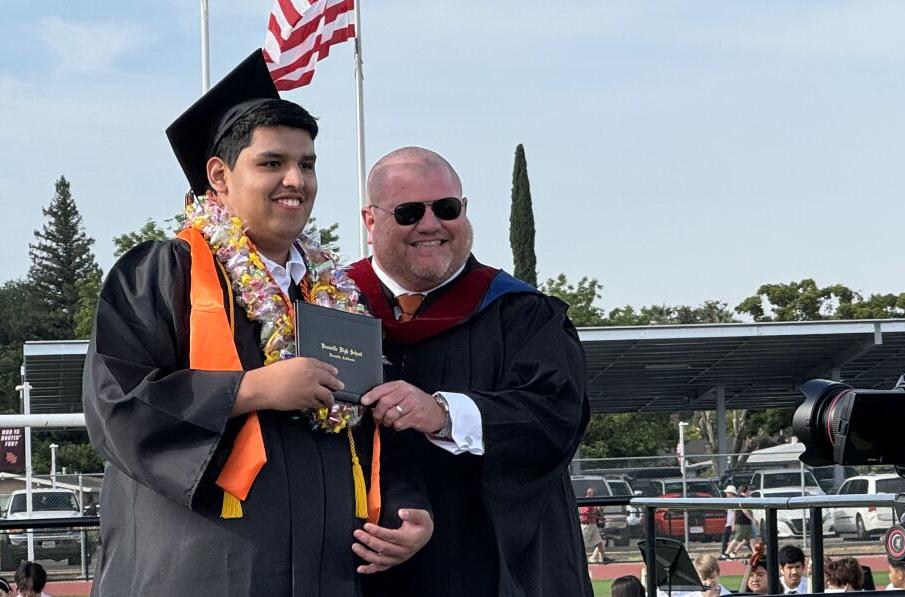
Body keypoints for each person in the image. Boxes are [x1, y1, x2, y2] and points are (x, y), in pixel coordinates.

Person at [82, 51, 430, 596]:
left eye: (308, 164)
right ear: (219, 176)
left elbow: (371, 420)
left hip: (328, 572)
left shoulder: (333, 295)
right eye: (272, 163)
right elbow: (117, 404)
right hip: (200, 571)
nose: (296, 179)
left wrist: (408, 504)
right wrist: (248, 389)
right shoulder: (163, 272)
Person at [348, 146, 592, 596]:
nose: (430, 224)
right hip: (364, 563)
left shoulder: (522, 312)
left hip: (492, 565)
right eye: (407, 212)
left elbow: (558, 415)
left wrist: (444, 413)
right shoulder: (335, 310)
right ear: (370, 221)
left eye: (446, 208)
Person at [725, 484, 754, 558]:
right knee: (737, 538)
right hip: (742, 522)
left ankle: (755, 553)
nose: (750, 492)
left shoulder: (744, 498)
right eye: (749, 490)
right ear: (746, 491)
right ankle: (726, 553)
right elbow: (744, 511)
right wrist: (753, 519)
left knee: (750, 538)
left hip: (746, 523)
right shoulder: (741, 499)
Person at [580, 487, 608, 563]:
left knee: (599, 541)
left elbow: (594, 511)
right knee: (583, 544)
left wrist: (598, 512)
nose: (595, 495)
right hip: (587, 525)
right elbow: (588, 514)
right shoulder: (586, 501)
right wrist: (598, 517)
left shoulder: (592, 501)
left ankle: (604, 557)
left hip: (593, 524)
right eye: (593, 494)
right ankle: (581, 559)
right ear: (589, 494)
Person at [719, 485, 738, 559]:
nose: (726, 494)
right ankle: (726, 553)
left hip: (731, 523)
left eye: (727, 492)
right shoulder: (730, 500)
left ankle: (724, 553)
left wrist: (733, 524)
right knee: (741, 539)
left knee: (725, 539)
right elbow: (728, 511)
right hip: (730, 523)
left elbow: (734, 513)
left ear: (731, 493)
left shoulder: (733, 500)